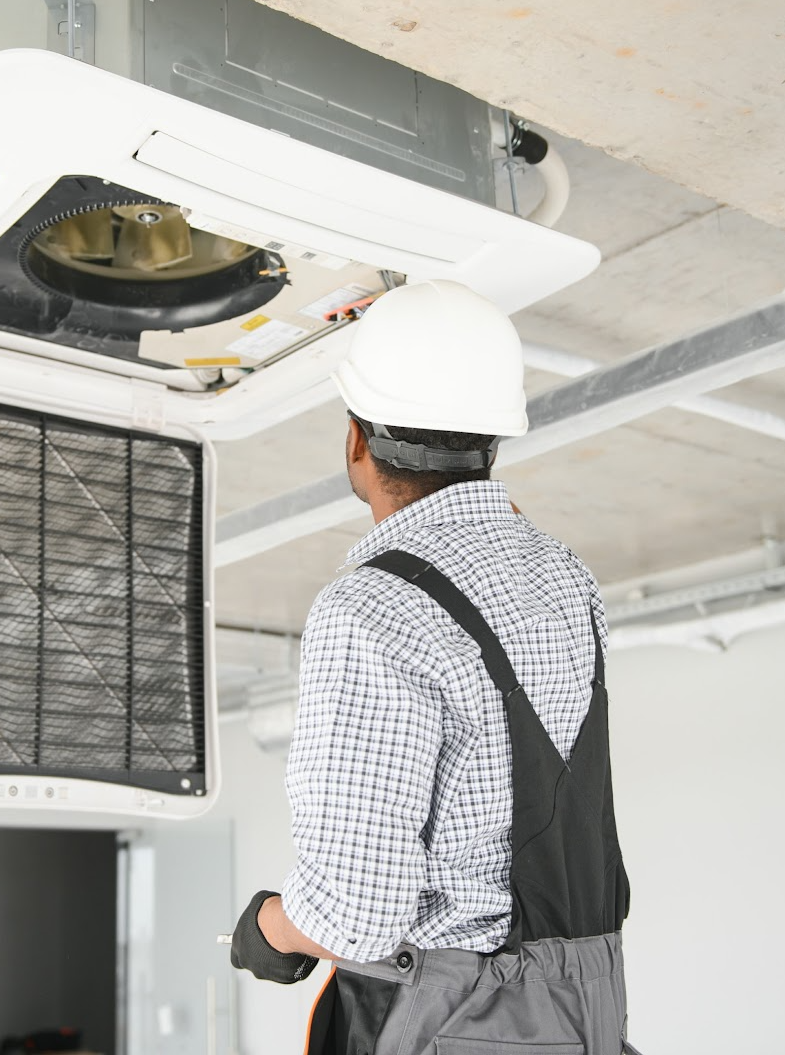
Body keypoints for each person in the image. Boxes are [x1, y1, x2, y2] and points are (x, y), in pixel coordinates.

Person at [228, 280, 635, 1055]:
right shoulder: (566, 577)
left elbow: (354, 916)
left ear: (356, 441)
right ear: (495, 440)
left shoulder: (371, 611)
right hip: (583, 1008)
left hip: (460, 1021)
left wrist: (269, 929)